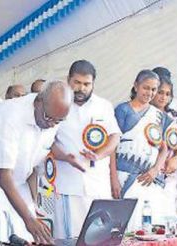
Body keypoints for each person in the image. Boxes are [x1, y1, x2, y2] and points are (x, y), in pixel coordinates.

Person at [0, 81, 73, 245]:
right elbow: (4, 178)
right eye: (49, 118)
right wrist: (29, 220)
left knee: (26, 238)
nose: (52, 124)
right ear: (39, 102)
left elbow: (31, 168)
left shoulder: (52, 116)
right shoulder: (9, 116)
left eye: (58, 121)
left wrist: (33, 207)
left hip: (16, 185)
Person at [50, 60, 121, 239]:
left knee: (99, 238)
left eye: (86, 84)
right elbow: (47, 142)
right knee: (69, 238)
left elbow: (114, 137)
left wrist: (98, 155)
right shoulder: (57, 104)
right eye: (77, 83)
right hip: (67, 185)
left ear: (93, 84)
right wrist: (66, 157)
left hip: (98, 185)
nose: (81, 88)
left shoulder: (103, 105)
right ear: (68, 80)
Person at [110, 70, 173, 231]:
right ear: (136, 86)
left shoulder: (159, 115)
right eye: (146, 88)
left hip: (149, 178)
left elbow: (164, 148)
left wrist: (155, 170)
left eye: (154, 89)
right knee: (130, 227)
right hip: (125, 176)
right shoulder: (122, 110)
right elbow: (113, 146)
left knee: (151, 227)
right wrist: (114, 178)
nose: (150, 93)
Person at [150, 76, 177, 215]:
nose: (163, 97)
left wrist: (175, 159)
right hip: (147, 173)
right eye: (160, 92)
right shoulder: (141, 113)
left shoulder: (174, 117)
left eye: (168, 94)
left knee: (166, 215)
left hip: (168, 174)